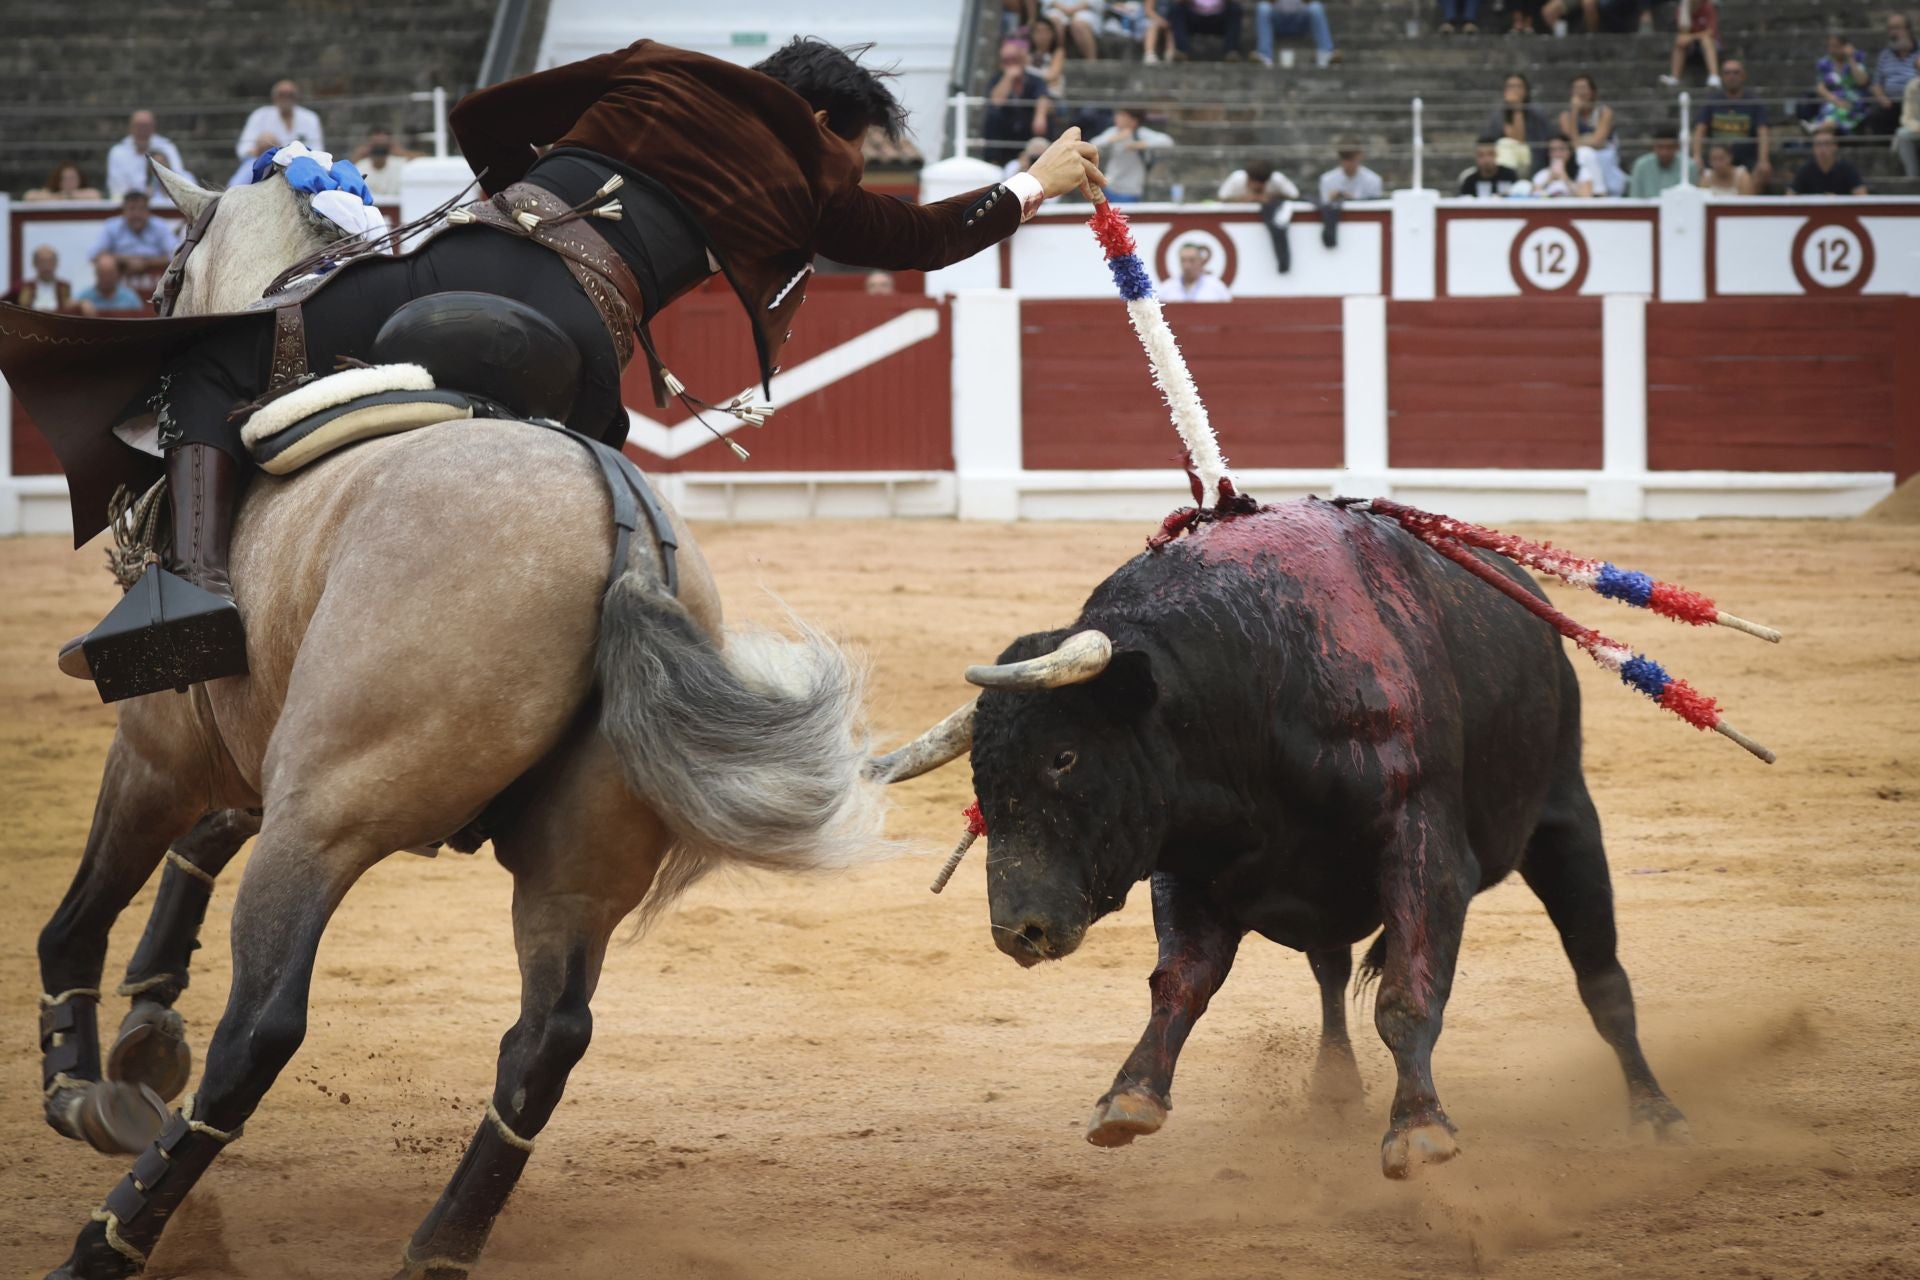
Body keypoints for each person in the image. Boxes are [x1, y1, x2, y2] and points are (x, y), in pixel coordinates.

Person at [21, 37, 1107, 688]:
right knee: (605, 527)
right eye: (855, 145)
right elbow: (923, 238)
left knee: (212, 363)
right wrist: (1037, 181)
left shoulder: (657, 69)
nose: (851, 164)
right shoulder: (806, 173)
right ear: (822, 117)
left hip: (454, 269)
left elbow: (488, 114)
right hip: (582, 342)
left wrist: (529, 175)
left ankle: (189, 597)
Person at [1692, 59, 1772, 190]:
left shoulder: (1755, 102)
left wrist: (1763, 160)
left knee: (1763, 171)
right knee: (1694, 168)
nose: (1731, 76)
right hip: (1717, 158)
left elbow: (1763, 131)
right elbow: (1700, 129)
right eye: (1727, 73)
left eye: (1736, 72)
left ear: (1743, 76)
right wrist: (1697, 155)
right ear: (1722, 77)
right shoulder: (1712, 101)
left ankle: (1747, 201)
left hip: (1746, 158)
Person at [983, 39, 1054, 165]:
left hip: (1029, 127)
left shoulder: (1035, 79)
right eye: (1006, 60)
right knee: (992, 116)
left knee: (1047, 117)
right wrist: (1008, 77)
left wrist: (1040, 116)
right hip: (1005, 129)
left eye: (1014, 59)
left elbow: (1043, 96)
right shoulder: (996, 79)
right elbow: (996, 101)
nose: (1010, 64)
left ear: (1022, 59)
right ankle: (993, 161)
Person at [1559, 74, 1625, 196]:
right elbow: (1572, 143)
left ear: (1592, 92)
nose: (1580, 92)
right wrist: (1574, 112)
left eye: (1583, 88)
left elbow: (1598, 142)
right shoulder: (1566, 116)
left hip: (1604, 156)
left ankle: (1596, 192)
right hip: (1578, 161)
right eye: (1576, 88)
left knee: (1586, 155)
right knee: (1584, 154)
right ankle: (1599, 192)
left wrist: (1582, 141)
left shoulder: (1604, 112)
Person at [86, 191, 178, 279]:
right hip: (119, 281)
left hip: (158, 280)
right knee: (105, 262)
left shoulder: (160, 225)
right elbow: (93, 254)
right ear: (124, 211)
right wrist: (126, 261)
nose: (136, 214)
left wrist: (147, 262)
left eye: (141, 209)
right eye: (132, 209)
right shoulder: (112, 226)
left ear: (148, 211)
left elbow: (176, 254)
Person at [1090, 107, 1174, 202]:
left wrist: (1140, 144)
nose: (1117, 118)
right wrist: (1112, 139)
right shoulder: (1113, 132)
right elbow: (1092, 144)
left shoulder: (1141, 133)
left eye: (1123, 116)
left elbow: (1167, 141)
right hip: (1110, 185)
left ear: (1134, 121)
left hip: (1131, 189)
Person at [106, 110, 190, 198]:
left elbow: (178, 178)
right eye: (138, 126)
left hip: (164, 201)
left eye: (146, 126)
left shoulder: (167, 147)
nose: (142, 130)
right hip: (130, 202)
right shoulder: (117, 152)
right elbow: (116, 187)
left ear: (153, 128)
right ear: (130, 127)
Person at [236, 80, 325, 162]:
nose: (285, 98)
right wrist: (262, 148)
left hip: (301, 166)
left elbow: (318, 151)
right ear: (274, 97)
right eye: (281, 95)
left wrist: (279, 149)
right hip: (264, 164)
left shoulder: (310, 118)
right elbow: (243, 149)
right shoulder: (259, 115)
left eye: (290, 95)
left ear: (297, 97)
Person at [1486, 72, 1553, 175]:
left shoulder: (1537, 112)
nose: (1514, 90)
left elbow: (1520, 140)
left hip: (1532, 160)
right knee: (1505, 143)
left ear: (1526, 91)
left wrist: (1517, 107)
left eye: (1518, 86)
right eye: (1510, 87)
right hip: (1506, 160)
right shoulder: (1498, 115)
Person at [1317, 143, 1382, 248]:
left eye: (1351, 158)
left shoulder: (1373, 180)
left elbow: (1376, 207)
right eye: (1344, 158)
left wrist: (1353, 200)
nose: (1347, 163)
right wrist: (1332, 199)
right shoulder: (1327, 179)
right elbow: (1324, 205)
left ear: (1360, 156)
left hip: (1366, 232)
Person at [1868, 13, 1918, 135]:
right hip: (1891, 103)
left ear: (1908, 30)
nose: (1893, 33)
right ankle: (1888, 145)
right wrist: (1882, 98)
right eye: (1890, 29)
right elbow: (1876, 84)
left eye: (1897, 28)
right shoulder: (1885, 55)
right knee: (1874, 115)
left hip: (1915, 102)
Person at [1812, 35, 1872, 134]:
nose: (1832, 50)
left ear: (1845, 46)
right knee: (1831, 112)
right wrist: (1835, 100)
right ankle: (1823, 128)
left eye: (1836, 46)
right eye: (1830, 46)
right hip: (1833, 102)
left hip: (1853, 103)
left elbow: (1862, 81)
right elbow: (1820, 88)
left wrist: (1851, 58)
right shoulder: (1824, 63)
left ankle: (1816, 128)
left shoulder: (1857, 58)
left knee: (1838, 114)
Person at [1254, 0, 1339, 69]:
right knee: (1263, 7)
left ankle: (1325, 54)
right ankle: (1265, 56)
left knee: (1316, 7)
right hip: (1278, 22)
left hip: (1300, 22)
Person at [1789, 124, 1869, 194]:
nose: (1822, 149)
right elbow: (1791, 195)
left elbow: (1862, 193)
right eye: (1818, 144)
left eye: (1827, 144)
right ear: (1813, 148)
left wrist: (1838, 200)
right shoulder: (1806, 170)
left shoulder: (1847, 168)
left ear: (1835, 146)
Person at [1661, 0, 1722, 89]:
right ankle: (1674, 78)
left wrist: (1691, 37)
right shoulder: (1683, 8)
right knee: (1680, 41)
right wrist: (1685, 12)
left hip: (1711, 44)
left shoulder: (1708, 7)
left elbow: (1710, 32)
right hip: (1692, 45)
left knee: (1706, 40)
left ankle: (1714, 76)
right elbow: (1683, 32)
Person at [1627, 127, 1697, 196]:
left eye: (1669, 147)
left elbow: (1693, 196)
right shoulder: (1641, 166)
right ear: (1654, 147)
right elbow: (1635, 196)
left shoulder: (1688, 166)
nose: (1664, 152)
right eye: (1660, 147)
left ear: (1677, 147)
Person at [351, 127, 418, 200]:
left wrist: (400, 151)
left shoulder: (399, 163)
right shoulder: (360, 166)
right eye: (376, 145)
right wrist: (359, 153)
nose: (379, 149)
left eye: (383, 145)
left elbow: (422, 161)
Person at [1168, 0, 1246, 61]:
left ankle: (1231, 51)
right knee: (1176, 9)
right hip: (1194, 17)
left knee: (1234, 9)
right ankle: (1182, 51)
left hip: (1219, 17)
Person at [4, 246, 74, 312]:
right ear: (34, 264)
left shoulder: (64, 287)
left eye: (50, 261)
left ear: (56, 263)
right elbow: (3, 303)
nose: (46, 266)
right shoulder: (22, 286)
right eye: (42, 262)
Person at [73, 252, 145, 314]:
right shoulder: (86, 295)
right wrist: (81, 303)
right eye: (102, 273)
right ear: (96, 274)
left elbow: (141, 316)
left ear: (118, 274)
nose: (106, 278)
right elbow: (69, 304)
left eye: (110, 274)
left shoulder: (130, 297)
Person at [1159, 241, 1232, 300]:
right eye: (1183, 260)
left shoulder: (1217, 287)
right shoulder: (1166, 288)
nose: (1187, 266)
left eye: (1192, 260)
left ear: (1200, 261)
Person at [1218, 159, 1299, 201]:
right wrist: (1241, 200)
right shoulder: (1236, 178)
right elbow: (1222, 198)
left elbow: (1295, 196)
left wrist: (1273, 198)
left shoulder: (1277, 179)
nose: (1256, 188)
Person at [22, 161, 102, 202]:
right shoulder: (52, 192)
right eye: (65, 178)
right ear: (59, 180)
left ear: (80, 179)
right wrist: (58, 196)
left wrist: (70, 196)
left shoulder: (86, 192)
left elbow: (96, 195)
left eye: (72, 178)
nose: (69, 182)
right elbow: (29, 196)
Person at [1026, 17, 1069, 94]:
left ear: (1052, 34)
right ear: (1032, 34)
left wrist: (1030, 78)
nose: (1042, 35)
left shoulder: (1058, 52)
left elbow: (1053, 75)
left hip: (1051, 94)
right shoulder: (1025, 53)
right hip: (1030, 94)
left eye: (1046, 31)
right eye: (1038, 31)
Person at [1898, 51, 1920, 176]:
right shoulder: (1912, 87)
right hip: (1918, 129)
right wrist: (1917, 126)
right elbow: (1906, 117)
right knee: (1902, 135)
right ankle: (1912, 177)